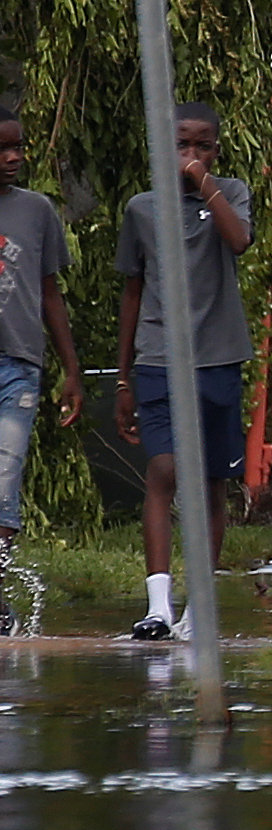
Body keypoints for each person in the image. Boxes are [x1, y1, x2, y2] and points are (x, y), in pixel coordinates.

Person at [115, 103, 254, 643]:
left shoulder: (231, 193)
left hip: (218, 357)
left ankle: (200, 607)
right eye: (181, 147)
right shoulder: (143, 210)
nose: (191, 156)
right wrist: (123, 377)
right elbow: (131, 290)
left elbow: (238, 240)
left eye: (203, 147)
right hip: (157, 357)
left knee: (211, 481)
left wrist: (204, 184)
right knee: (166, 472)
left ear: (216, 151)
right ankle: (157, 606)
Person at [0, 109, 84, 631]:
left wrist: (71, 371)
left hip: (19, 366)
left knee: (4, 480)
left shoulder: (37, 211)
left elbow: (50, 294)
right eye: (1, 150)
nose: (13, 158)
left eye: (18, 148)